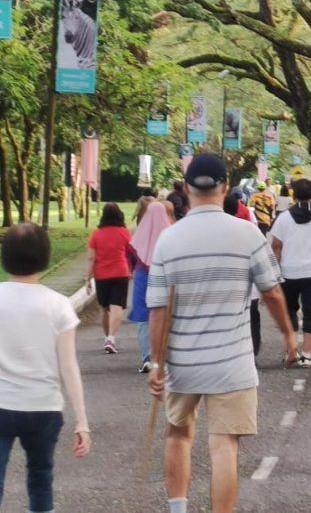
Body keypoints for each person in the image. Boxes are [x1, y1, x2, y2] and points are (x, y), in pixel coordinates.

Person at [146, 154, 298, 513]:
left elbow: (158, 311)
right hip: (232, 362)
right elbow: (273, 292)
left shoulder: (168, 239)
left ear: (186, 187)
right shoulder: (247, 234)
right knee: (224, 444)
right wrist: (288, 334)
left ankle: (178, 509)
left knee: (178, 434)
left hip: (182, 362)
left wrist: (156, 363)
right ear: (226, 187)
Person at [0, 224, 91, 513]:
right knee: (41, 476)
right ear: (45, 256)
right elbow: (69, 366)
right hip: (44, 407)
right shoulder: (58, 305)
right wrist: (82, 421)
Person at [270, 179, 311, 368]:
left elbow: (276, 246)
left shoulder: (283, 218)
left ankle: (291, 351)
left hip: (288, 273)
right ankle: (306, 355)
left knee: (288, 311)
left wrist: (276, 269)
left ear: (294, 195)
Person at [129, 201, 174, 373]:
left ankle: (147, 357)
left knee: (143, 317)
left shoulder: (138, 233)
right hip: (165, 275)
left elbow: (131, 256)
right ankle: (165, 356)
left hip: (142, 277)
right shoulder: (171, 234)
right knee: (167, 315)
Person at [85, 202, 133, 355]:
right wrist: (131, 270)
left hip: (102, 275)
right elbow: (131, 253)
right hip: (120, 272)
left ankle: (107, 337)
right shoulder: (124, 232)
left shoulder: (96, 234)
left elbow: (91, 258)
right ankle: (111, 338)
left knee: (104, 308)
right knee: (116, 305)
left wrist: (87, 278)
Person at [223, 192, 264, 356]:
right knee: (252, 318)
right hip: (250, 287)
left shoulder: (213, 231)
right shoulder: (249, 229)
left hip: (226, 288)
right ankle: (253, 351)